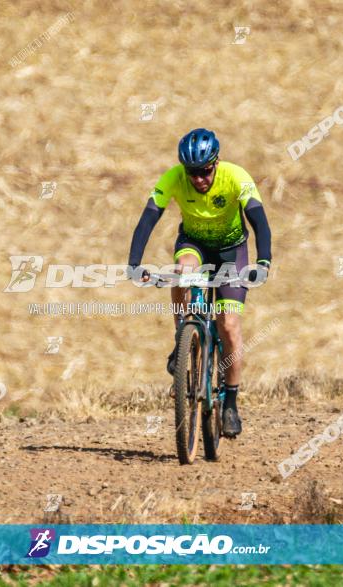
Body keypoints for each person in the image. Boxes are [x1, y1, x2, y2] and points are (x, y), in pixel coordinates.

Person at [127, 128, 272, 437]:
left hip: (232, 252)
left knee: (229, 325)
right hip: (193, 245)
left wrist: (264, 261)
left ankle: (230, 403)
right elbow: (148, 217)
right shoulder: (173, 178)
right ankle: (183, 335)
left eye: (205, 171)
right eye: (192, 173)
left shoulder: (235, 176)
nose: (199, 179)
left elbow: (259, 219)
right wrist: (134, 263)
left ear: (216, 163)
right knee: (182, 270)